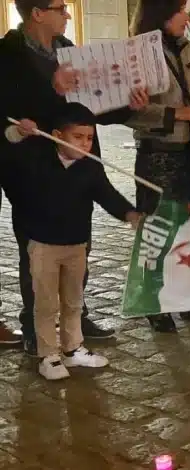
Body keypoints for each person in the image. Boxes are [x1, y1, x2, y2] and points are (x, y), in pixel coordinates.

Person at [0, 0, 149, 354]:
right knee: (36, 248)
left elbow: (90, 108)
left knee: (78, 239)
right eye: (60, 7)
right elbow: (9, 110)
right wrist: (52, 88)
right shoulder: (8, 54)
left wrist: (129, 104)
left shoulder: (70, 52)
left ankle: (75, 316)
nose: (68, 14)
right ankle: (35, 326)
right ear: (37, 13)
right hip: (32, 167)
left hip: (78, 161)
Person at [5, 103, 142, 380]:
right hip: (42, 245)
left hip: (77, 244)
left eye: (89, 138)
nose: (85, 143)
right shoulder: (36, 157)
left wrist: (129, 213)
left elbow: (107, 195)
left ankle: (73, 348)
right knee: (44, 304)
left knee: (74, 301)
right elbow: (10, 151)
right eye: (77, 137)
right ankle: (48, 355)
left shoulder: (89, 167)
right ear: (57, 134)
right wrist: (18, 132)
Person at [125, 0, 190, 332]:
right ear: (162, 14)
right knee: (157, 230)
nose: (188, 17)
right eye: (181, 10)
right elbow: (130, 111)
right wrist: (177, 114)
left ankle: (187, 297)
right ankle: (155, 302)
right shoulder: (137, 53)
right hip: (158, 152)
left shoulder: (189, 47)